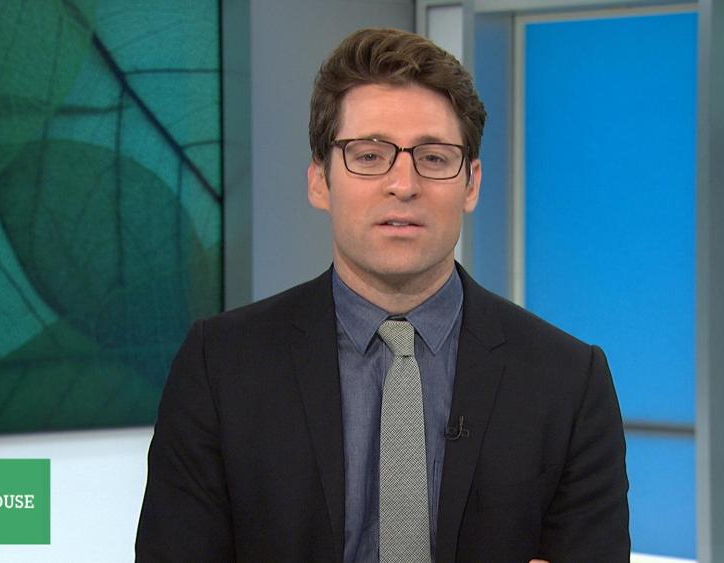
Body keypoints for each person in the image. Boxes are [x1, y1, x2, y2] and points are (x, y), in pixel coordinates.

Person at [136, 27, 629, 562]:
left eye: (434, 158)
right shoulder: (220, 367)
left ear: (471, 183)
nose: (404, 183)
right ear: (319, 180)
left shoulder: (570, 381)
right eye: (369, 155)